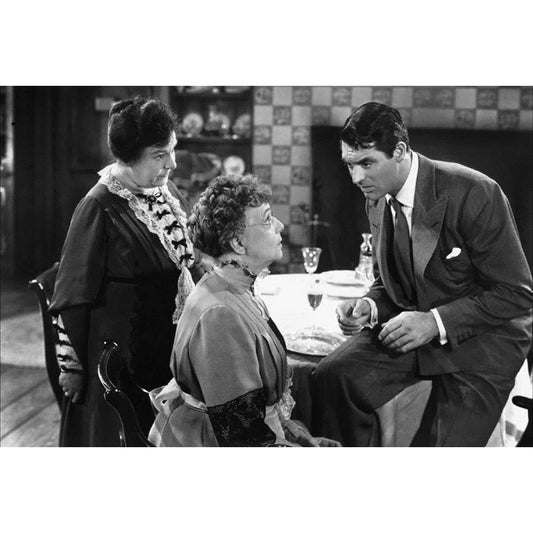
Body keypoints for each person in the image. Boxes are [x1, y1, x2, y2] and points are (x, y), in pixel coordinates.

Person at [311, 102, 533, 446]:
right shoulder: (376, 196)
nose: (356, 178)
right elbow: (392, 279)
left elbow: (516, 293)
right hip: (415, 335)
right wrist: (370, 305)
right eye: (350, 165)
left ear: (400, 151)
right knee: (331, 375)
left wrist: (433, 321)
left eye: (367, 163)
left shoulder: (474, 191)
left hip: (482, 344)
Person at [50, 96, 204, 446]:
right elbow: (71, 297)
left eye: (172, 150)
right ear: (129, 157)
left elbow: (187, 256)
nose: (172, 163)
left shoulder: (162, 191)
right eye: (160, 155)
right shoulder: (97, 206)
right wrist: (71, 369)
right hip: (122, 368)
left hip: (166, 353)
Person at [148, 174, 340, 447]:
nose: (280, 225)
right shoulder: (219, 315)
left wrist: (299, 436)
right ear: (238, 243)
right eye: (267, 219)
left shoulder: (237, 288)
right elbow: (242, 437)